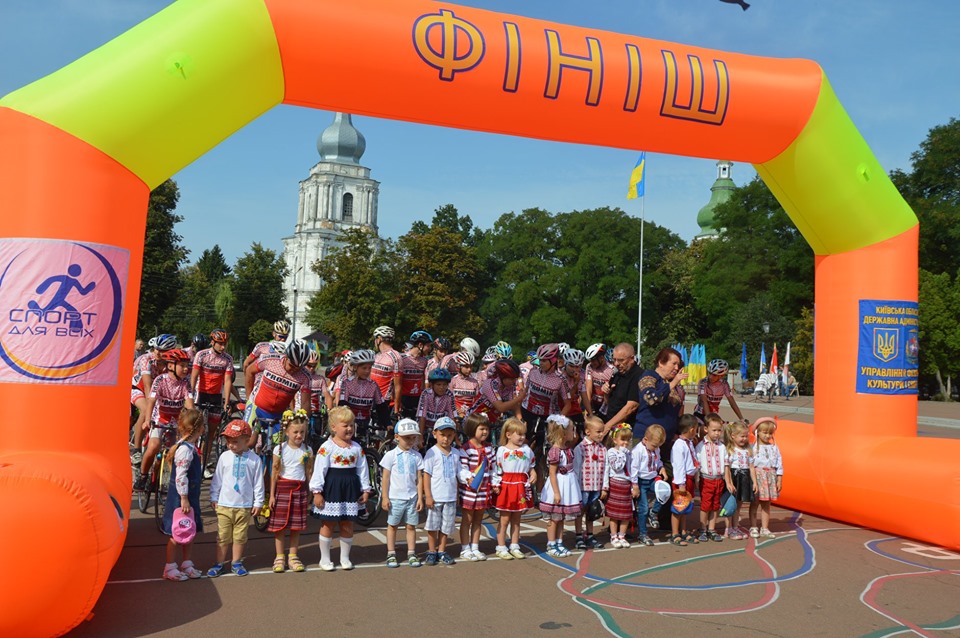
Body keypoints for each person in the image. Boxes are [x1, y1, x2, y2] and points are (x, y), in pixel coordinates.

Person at [310, 406, 371, 570]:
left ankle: (345, 558)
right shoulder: (326, 447)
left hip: (350, 489)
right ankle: (325, 559)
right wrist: (317, 492)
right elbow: (319, 471)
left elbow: (363, 470)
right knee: (328, 524)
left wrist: (365, 490)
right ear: (334, 427)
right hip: (332, 489)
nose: (349, 428)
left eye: (352, 425)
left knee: (347, 524)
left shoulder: (357, 448)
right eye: (345, 425)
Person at [207, 419, 265, 577]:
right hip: (224, 505)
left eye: (234, 441)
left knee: (240, 536)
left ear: (247, 440)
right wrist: (214, 497)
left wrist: (258, 502)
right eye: (228, 441)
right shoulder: (225, 457)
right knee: (223, 536)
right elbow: (217, 479)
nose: (230, 445)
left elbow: (258, 483)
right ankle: (219, 563)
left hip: (244, 506)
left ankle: (236, 562)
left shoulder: (255, 460)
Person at [134, 348, 194, 491]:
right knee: (154, 446)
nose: (186, 369)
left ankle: (160, 477)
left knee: (172, 451)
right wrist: (147, 420)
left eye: (187, 365)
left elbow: (190, 404)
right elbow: (152, 401)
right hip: (159, 416)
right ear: (171, 366)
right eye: (182, 365)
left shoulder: (186, 383)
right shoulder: (160, 380)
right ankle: (142, 476)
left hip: (175, 419)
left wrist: (192, 424)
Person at [159, 408, 205, 581]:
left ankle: (187, 563)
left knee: (189, 530)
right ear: (199, 429)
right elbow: (180, 476)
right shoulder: (184, 450)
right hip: (181, 498)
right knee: (176, 532)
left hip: (189, 496)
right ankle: (169, 567)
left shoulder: (191, 447)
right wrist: (184, 498)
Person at [267, 410, 314, 573]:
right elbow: (274, 473)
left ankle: (293, 556)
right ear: (287, 431)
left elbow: (309, 472)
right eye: (295, 432)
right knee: (279, 527)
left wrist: (310, 492)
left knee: (296, 526)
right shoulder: (279, 450)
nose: (299, 435)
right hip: (283, 488)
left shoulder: (307, 450)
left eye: (302, 432)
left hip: (300, 489)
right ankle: (279, 556)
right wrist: (272, 495)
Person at [243, 339, 313, 450]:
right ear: (286, 356)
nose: (294, 370)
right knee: (248, 444)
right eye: (292, 365)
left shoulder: (305, 377)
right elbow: (249, 371)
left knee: (277, 450)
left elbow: (305, 404)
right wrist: (248, 397)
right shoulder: (269, 360)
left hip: (278, 415)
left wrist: (301, 421)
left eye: (298, 368)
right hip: (256, 407)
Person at [191, 328, 236, 477]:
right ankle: (190, 459)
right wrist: (190, 395)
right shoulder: (201, 355)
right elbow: (194, 376)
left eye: (225, 344)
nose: (223, 347)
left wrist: (227, 402)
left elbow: (228, 381)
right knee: (194, 431)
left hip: (215, 397)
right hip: (201, 395)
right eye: (220, 344)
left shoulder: (227, 359)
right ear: (213, 342)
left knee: (210, 435)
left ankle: (203, 463)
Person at [380, 418, 425, 568]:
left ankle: (411, 553)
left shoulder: (417, 456)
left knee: (411, 526)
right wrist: (385, 497)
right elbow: (385, 478)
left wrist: (420, 497)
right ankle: (391, 553)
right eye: (407, 438)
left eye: (414, 437)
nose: (411, 441)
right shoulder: (390, 456)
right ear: (397, 437)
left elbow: (419, 478)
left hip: (412, 497)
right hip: (395, 498)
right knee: (392, 525)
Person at [492, 417, 537, 560]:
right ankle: (501, 546)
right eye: (519, 434)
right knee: (504, 519)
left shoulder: (527, 450)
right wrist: (496, 484)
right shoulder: (501, 450)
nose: (522, 437)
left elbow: (531, 466)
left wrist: (533, 472)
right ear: (508, 434)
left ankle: (514, 545)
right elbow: (496, 470)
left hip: (520, 486)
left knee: (517, 519)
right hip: (506, 485)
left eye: (524, 434)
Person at [538, 414, 581, 557]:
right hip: (558, 485)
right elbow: (552, 473)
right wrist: (556, 492)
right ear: (563, 433)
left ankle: (559, 542)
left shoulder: (567, 449)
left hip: (568, 485)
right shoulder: (555, 451)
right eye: (571, 430)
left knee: (561, 517)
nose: (574, 433)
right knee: (554, 518)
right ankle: (551, 544)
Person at [131, 333, 177, 461]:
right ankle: (136, 449)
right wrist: (151, 404)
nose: (158, 352)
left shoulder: (172, 363)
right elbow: (147, 385)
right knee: (146, 410)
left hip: (156, 391)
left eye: (162, 351)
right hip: (138, 388)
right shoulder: (147, 359)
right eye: (156, 349)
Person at [422, 417, 461, 566]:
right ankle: (431, 551)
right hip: (436, 497)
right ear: (435, 434)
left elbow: (457, 475)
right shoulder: (432, 453)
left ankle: (442, 550)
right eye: (442, 435)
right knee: (433, 525)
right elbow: (427, 475)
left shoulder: (456, 453)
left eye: (449, 435)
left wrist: (456, 494)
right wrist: (428, 496)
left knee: (446, 526)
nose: (446, 439)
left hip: (450, 497)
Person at [458, 413, 496, 562]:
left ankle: (475, 547)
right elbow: (461, 468)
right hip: (469, 491)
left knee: (479, 520)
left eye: (486, 429)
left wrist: (495, 482)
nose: (485, 432)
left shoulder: (489, 448)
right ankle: (465, 548)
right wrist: (469, 478)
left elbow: (494, 468)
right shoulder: (466, 448)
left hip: (484, 490)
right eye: (481, 429)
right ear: (472, 429)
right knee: (467, 519)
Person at [521, 343, 571, 455]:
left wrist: (559, 421)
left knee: (545, 447)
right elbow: (524, 392)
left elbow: (568, 404)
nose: (541, 363)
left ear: (553, 361)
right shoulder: (533, 372)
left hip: (547, 416)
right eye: (540, 360)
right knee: (523, 443)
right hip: (527, 412)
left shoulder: (561, 380)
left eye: (544, 360)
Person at [631, 423, 668, 546]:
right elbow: (634, 469)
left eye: (658, 446)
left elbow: (658, 461)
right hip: (641, 481)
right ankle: (643, 534)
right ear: (645, 440)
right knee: (643, 508)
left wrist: (661, 468)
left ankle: (654, 512)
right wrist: (635, 485)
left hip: (652, 479)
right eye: (654, 445)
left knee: (665, 493)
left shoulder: (656, 449)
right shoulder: (638, 451)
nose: (655, 448)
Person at [695, 413, 731, 542]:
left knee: (716, 506)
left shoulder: (722, 447)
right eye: (714, 430)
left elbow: (726, 465)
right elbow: (697, 465)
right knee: (705, 506)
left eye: (719, 430)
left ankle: (712, 529)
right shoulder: (700, 447)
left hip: (718, 480)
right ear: (706, 429)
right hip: (706, 479)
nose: (717, 433)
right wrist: (696, 479)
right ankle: (702, 529)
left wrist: (728, 482)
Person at [573, 415, 607, 550]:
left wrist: (604, 487)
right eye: (598, 431)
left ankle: (590, 535)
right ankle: (579, 535)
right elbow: (576, 469)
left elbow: (605, 468)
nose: (601, 434)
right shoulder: (580, 448)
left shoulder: (602, 449)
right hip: (583, 486)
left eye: (602, 431)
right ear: (588, 432)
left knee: (592, 511)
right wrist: (575, 487)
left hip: (596, 486)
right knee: (580, 511)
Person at [603, 423, 638, 548]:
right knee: (614, 514)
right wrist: (622, 453)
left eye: (628, 440)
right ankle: (613, 536)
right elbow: (617, 467)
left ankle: (622, 535)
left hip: (626, 484)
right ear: (614, 440)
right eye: (623, 440)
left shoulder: (629, 453)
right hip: (615, 483)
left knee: (625, 514)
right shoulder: (612, 452)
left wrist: (634, 485)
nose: (626, 443)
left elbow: (632, 469)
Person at [749, 417, 783, 539]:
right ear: (758, 432)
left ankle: (765, 528)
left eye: (770, 433)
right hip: (758, 477)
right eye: (765, 432)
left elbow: (779, 464)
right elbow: (751, 464)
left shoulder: (774, 447)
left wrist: (779, 479)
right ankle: (753, 527)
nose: (768, 435)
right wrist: (753, 481)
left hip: (770, 477)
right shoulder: (753, 447)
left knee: (766, 504)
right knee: (755, 503)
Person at [669, 415, 700, 546]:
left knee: (685, 508)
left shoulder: (689, 443)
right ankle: (675, 533)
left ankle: (683, 531)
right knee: (678, 508)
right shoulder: (679, 445)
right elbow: (679, 466)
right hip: (682, 480)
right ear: (692, 429)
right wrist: (681, 484)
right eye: (696, 429)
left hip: (690, 479)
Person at [465, 359, 525, 424]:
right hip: (475, 420)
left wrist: (520, 421)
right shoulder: (489, 384)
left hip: (492, 420)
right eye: (511, 379)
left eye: (515, 379)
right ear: (502, 377)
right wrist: (519, 398)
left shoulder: (510, 385)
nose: (514, 381)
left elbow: (514, 405)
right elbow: (501, 407)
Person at [723, 421, 756, 540]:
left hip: (744, 478)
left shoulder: (748, 450)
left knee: (738, 504)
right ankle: (728, 528)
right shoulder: (730, 450)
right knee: (730, 504)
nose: (744, 438)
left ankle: (735, 526)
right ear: (733, 436)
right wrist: (729, 482)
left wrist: (755, 482)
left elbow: (751, 468)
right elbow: (727, 468)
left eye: (746, 436)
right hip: (734, 477)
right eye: (742, 436)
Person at [601, 343, 643, 434]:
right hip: (611, 425)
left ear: (632, 358)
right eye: (614, 359)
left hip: (626, 431)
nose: (616, 364)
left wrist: (607, 426)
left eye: (620, 360)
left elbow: (631, 407)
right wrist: (606, 392)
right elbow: (608, 403)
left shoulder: (638, 375)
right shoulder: (617, 374)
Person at [693, 359, 747, 426]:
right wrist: (709, 420)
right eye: (709, 373)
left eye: (714, 375)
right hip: (700, 413)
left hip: (714, 414)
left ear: (721, 375)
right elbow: (704, 401)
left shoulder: (724, 384)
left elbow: (732, 402)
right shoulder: (703, 382)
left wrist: (741, 419)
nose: (710, 376)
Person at [417, 368, 456, 447]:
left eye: (444, 385)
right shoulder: (426, 394)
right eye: (438, 384)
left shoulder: (449, 394)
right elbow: (422, 416)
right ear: (432, 385)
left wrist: (455, 438)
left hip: (441, 428)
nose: (442, 387)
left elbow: (452, 415)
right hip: (425, 426)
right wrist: (420, 437)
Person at [370, 325, 403, 417]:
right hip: (370, 399)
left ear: (379, 339)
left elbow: (398, 386)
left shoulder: (395, 357)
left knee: (380, 430)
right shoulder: (377, 355)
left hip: (384, 401)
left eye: (375, 339)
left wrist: (396, 409)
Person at [399, 330, 432, 419]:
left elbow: (423, 379)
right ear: (420, 345)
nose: (429, 348)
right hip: (403, 398)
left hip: (417, 398)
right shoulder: (402, 358)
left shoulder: (424, 361)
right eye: (428, 346)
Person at [560, 348, 591, 435]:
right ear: (565, 364)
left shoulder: (580, 375)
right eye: (571, 366)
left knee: (582, 434)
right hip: (561, 409)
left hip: (575, 410)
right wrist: (576, 383)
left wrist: (591, 414)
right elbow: (568, 398)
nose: (574, 369)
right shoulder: (560, 376)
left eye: (577, 366)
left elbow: (584, 397)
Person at [584, 343, 614, 417]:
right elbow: (588, 389)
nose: (591, 363)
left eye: (593, 360)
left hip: (607, 405)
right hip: (594, 404)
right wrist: (587, 409)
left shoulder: (611, 370)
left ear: (601, 358)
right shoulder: (590, 367)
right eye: (590, 360)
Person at [449, 351, 480, 419]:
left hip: (470, 416)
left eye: (471, 366)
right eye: (466, 367)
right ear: (459, 366)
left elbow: (477, 401)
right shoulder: (453, 381)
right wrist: (458, 411)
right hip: (456, 415)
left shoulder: (475, 382)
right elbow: (449, 400)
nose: (469, 369)